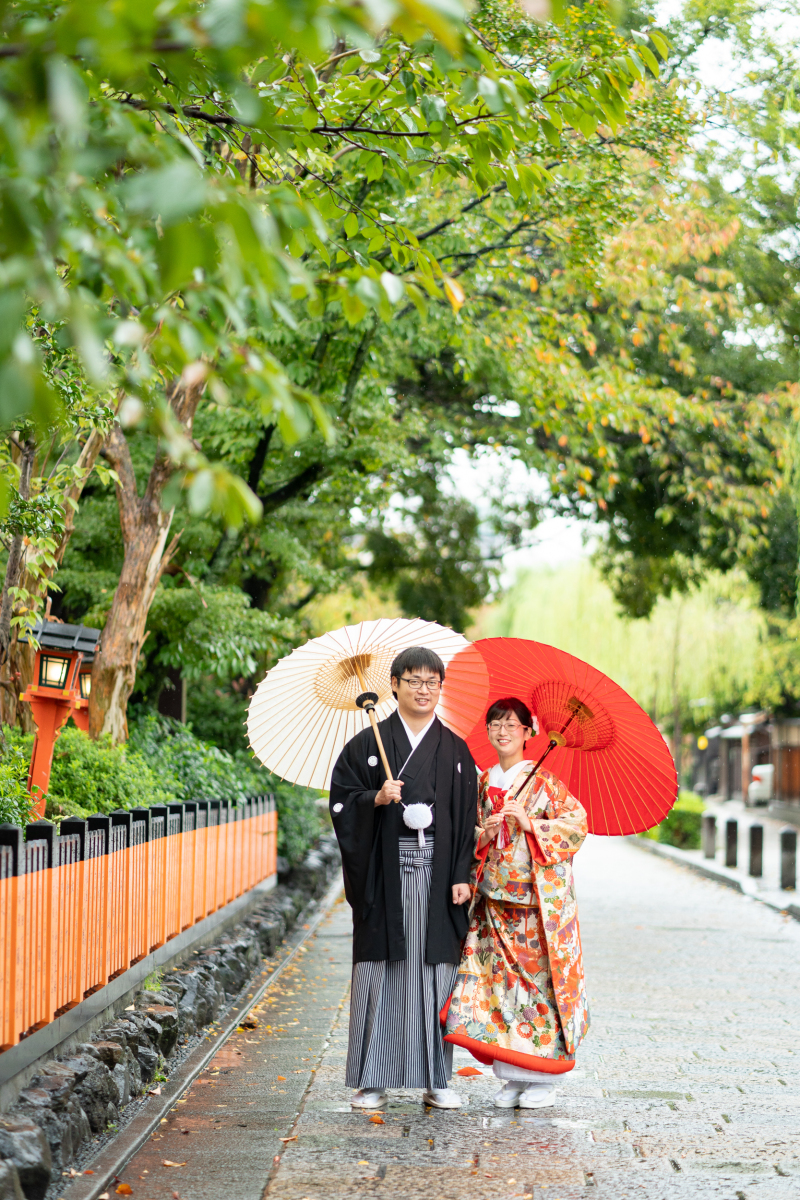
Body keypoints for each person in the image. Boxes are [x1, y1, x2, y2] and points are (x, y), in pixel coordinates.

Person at [329, 646, 477, 1110]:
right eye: (413, 681)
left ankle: (437, 1078)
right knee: (383, 971)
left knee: (436, 973)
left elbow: (466, 815)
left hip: (438, 878)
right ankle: (373, 1080)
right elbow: (341, 801)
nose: (423, 689)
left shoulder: (454, 749)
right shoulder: (366, 744)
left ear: (440, 688)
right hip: (384, 878)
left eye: (432, 682)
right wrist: (375, 797)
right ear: (393, 685)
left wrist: (460, 874)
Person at [443, 697, 589, 1109]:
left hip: (534, 907)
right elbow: (464, 836)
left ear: (530, 732)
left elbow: (576, 826)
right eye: (496, 724)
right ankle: (511, 1079)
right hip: (494, 902)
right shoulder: (481, 780)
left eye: (512, 725)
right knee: (501, 993)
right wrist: (483, 835)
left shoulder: (546, 783)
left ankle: (541, 1079)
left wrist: (532, 824)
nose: (503, 731)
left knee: (538, 991)